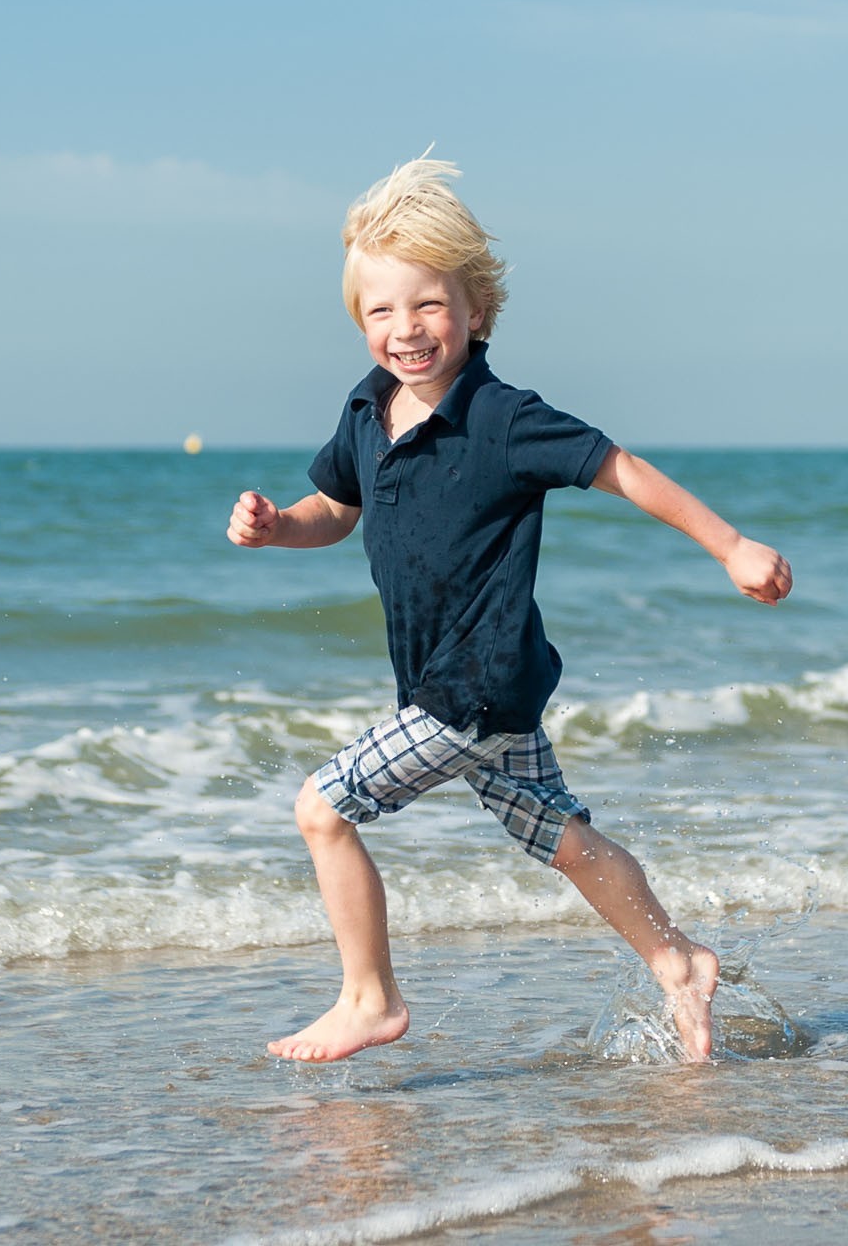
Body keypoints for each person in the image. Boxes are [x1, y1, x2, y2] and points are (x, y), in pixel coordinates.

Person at [228, 157, 791, 1063]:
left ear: (475, 312)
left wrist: (730, 545)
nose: (407, 330)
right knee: (563, 838)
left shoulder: (504, 419)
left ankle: (369, 997)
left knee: (321, 809)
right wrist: (274, 527)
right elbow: (334, 513)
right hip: (486, 691)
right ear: (358, 321)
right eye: (382, 310)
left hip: (471, 692)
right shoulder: (368, 413)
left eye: (429, 306)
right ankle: (678, 960)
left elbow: (623, 470)